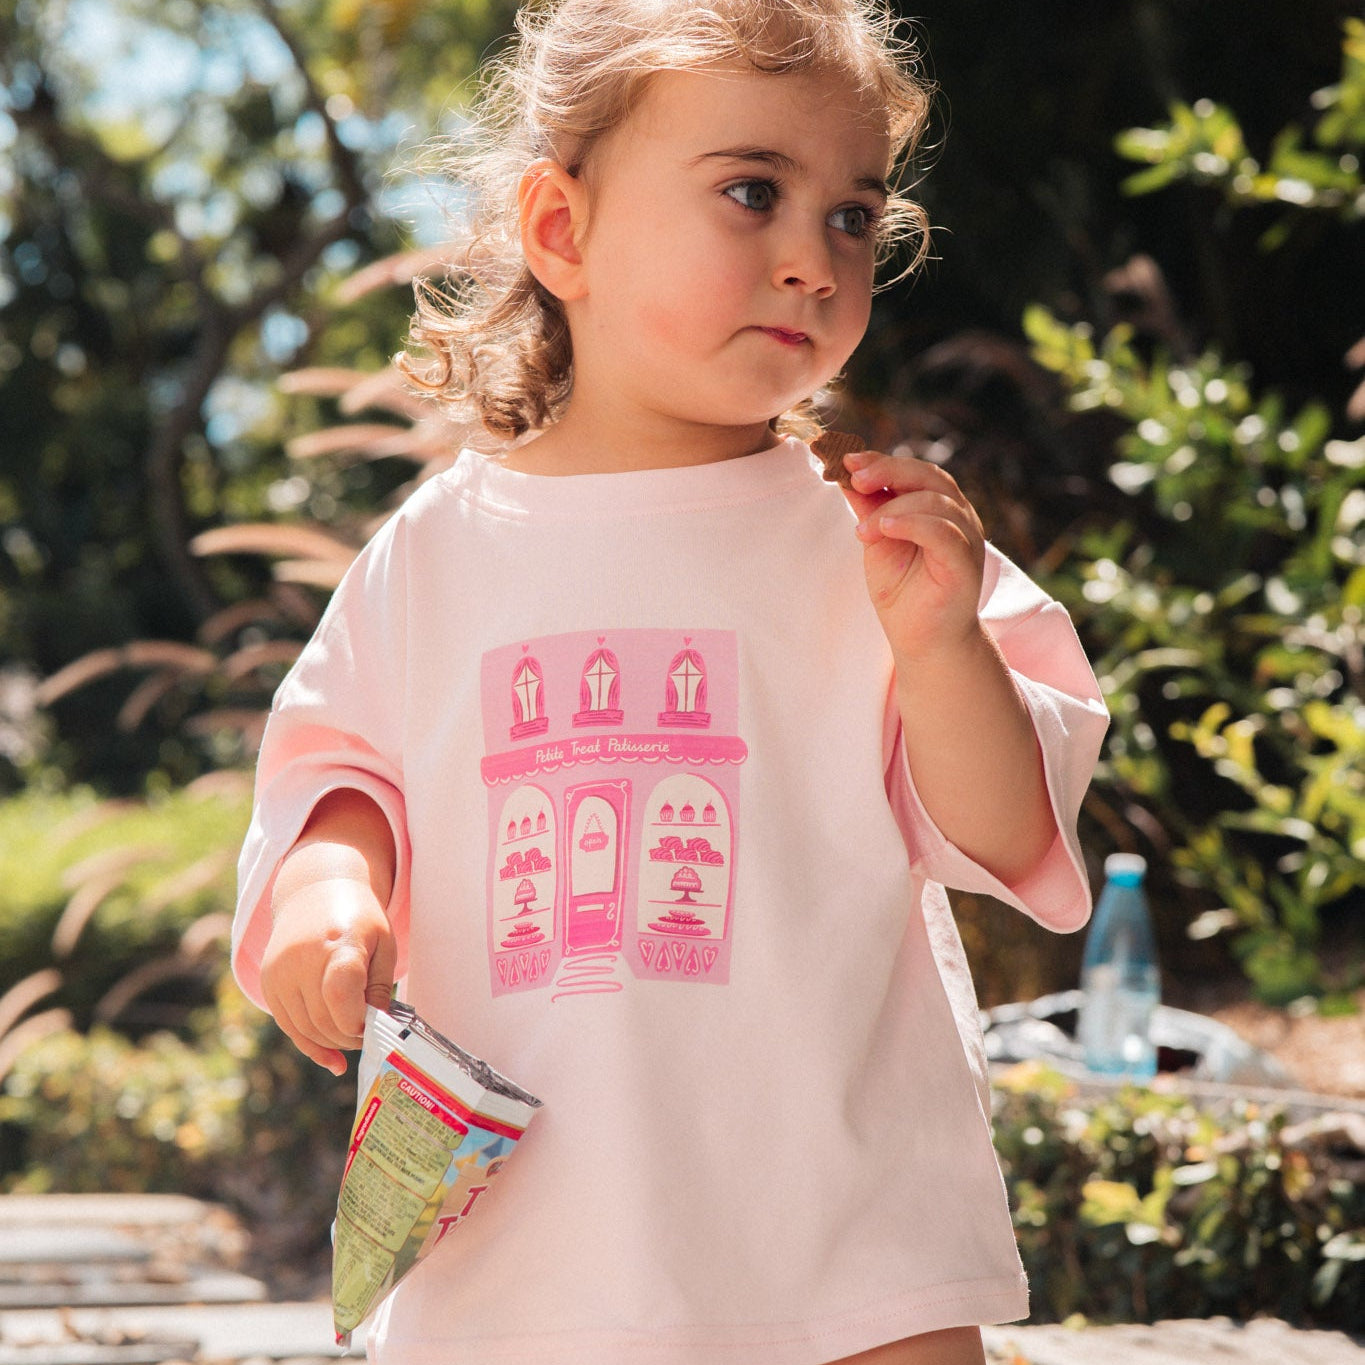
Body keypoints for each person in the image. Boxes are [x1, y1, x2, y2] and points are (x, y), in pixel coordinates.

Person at [231, 0, 1109, 1360]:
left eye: (851, 217)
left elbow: (1008, 832)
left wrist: (941, 648)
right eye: (752, 191)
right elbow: (343, 768)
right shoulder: (440, 553)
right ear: (561, 229)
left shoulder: (870, 539)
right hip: (533, 1246)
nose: (814, 260)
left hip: (844, 1230)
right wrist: (327, 887)